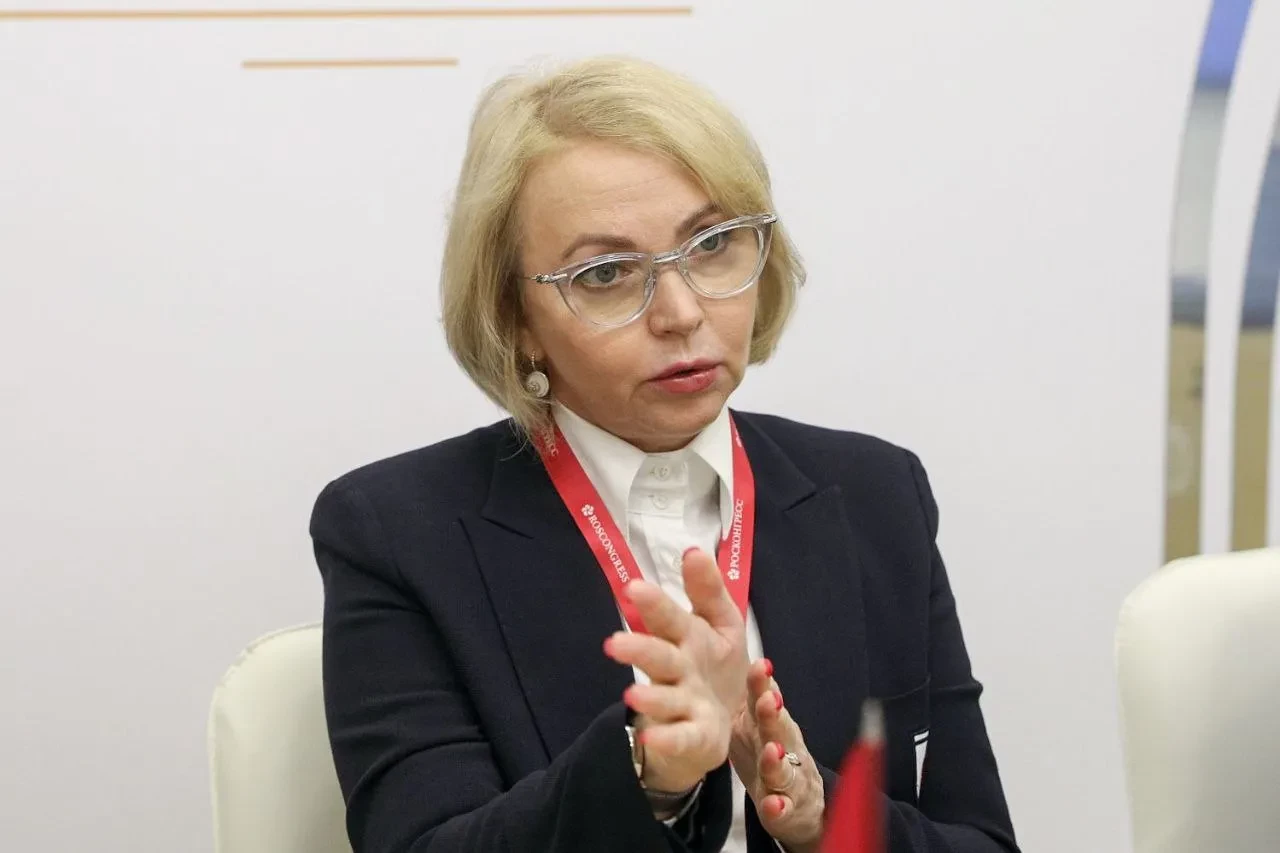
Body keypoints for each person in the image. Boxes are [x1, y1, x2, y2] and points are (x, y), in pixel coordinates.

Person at [310, 55, 1019, 853]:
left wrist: (824, 819)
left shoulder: (875, 493)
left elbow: (981, 841)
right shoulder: (397, 533)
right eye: (607, 273)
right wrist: (647, 774)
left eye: (712, 244)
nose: (681, 311)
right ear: (514, 316)